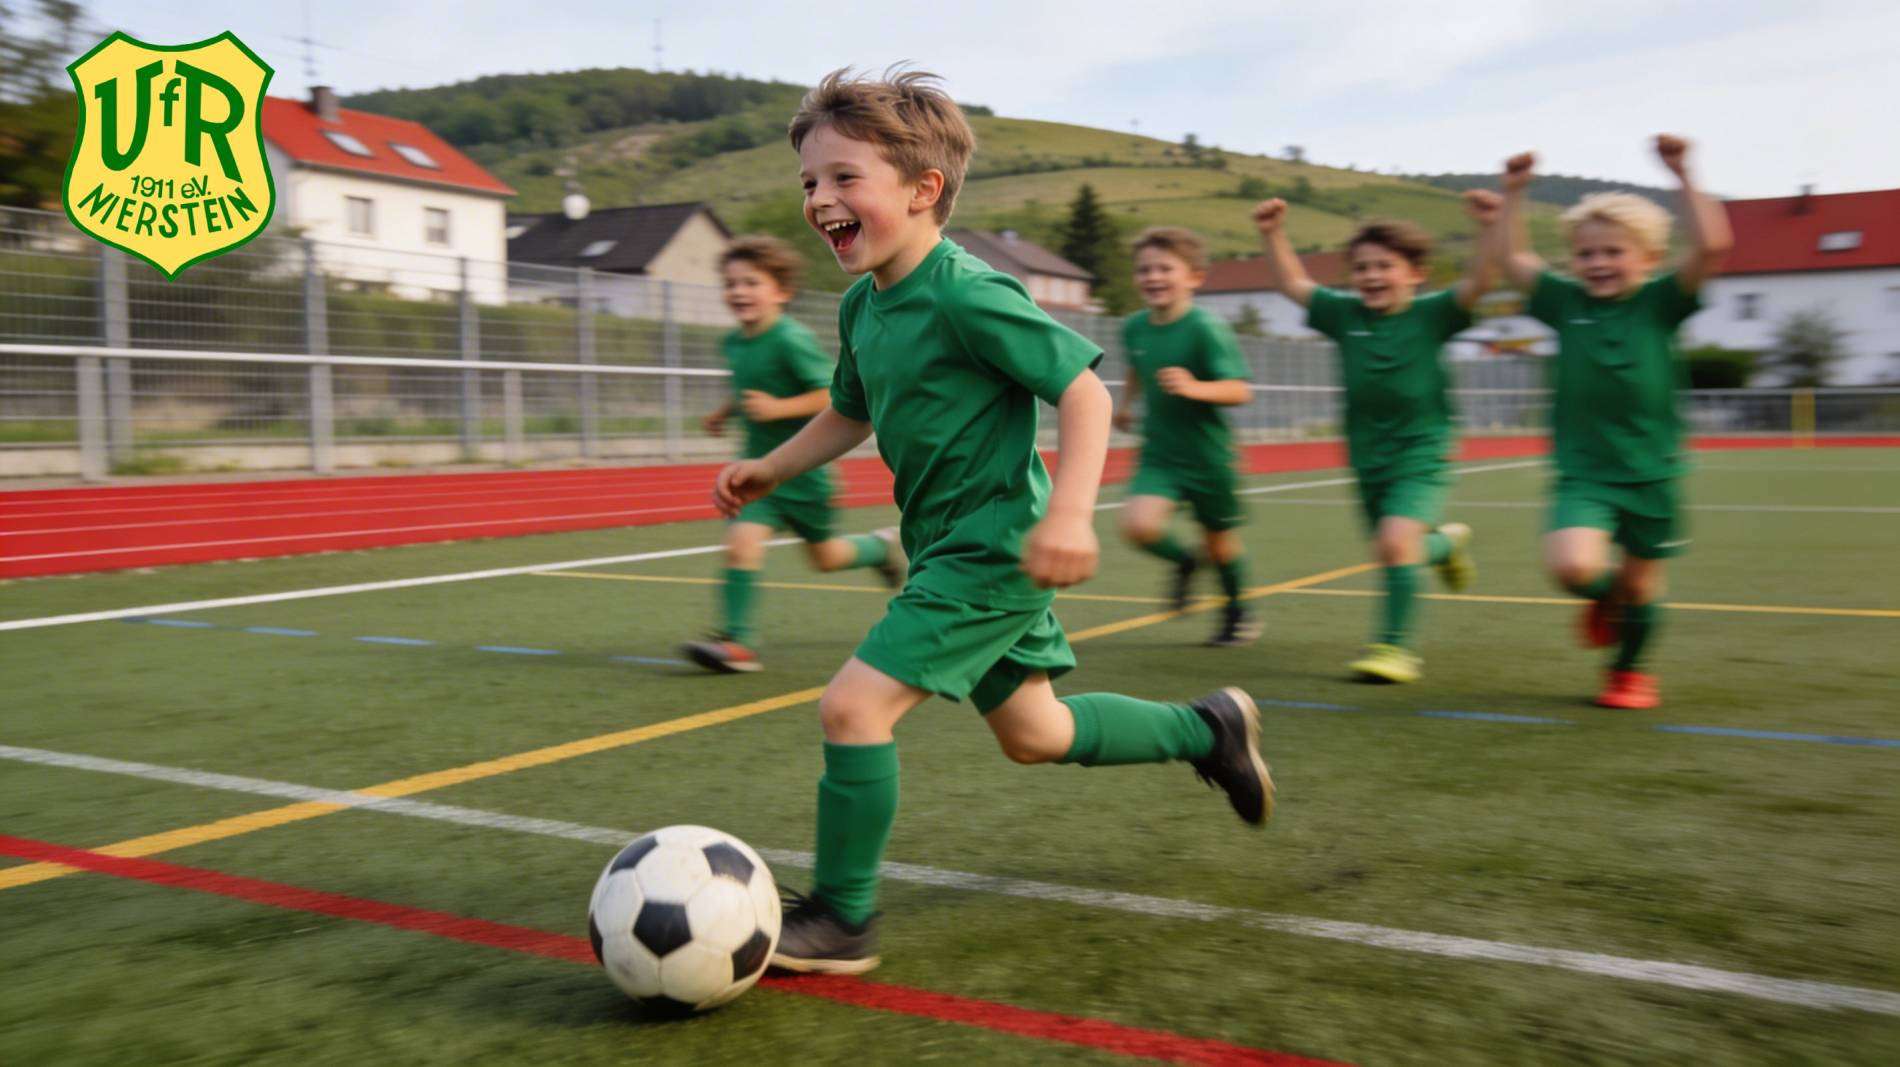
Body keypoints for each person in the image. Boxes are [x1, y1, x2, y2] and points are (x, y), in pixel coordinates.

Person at [713, 68, 1274, 975]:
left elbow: (1084, 393)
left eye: (845, 177)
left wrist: (1073, 516)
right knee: (1035, 734)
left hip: (993, 547)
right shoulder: (861, 304)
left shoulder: (967, 291)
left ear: (923, 189)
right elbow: (851, 411)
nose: (820, 199)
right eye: (810, 181)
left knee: (852, 707)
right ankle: (1206, 728)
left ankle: (844, 918)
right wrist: (771, 466)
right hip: (943, 544)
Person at [1497, 136, 1732, 709]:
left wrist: (1683, 174)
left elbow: (1713, 247)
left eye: (1612, 252)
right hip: (1585, 472)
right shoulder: (1564, 302)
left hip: (1653, 472)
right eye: (1586, 254)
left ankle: (1628, 673)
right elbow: (1513, 260)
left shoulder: (1661, 302)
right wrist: (1514, 193)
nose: (1597, 263)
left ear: (1649, 258)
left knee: (1642, 583)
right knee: (1574, 567)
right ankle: (1607, 599)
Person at [1248, 193, 1502, 682]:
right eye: (1362, 268)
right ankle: (1445, 546)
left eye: (1385, 266)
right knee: (1393, 549)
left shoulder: (1434, 313)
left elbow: (1481, 282)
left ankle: (1395, 649)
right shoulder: (1345, 314)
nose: (1371, 276)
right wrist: (1271, 232)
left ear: (1416, 272)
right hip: (1367, 455)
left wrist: (1490, 227)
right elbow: (1293, 284)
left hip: (1422, 450)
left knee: (1395, 541)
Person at [683, 235, 902, 674]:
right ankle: (737, 643)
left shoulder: (790, 339)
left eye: (751, 283)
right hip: (757, 475)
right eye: (731, 284)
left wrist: (779, 409)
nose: (739, 292)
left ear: (782, 291)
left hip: (803, 475)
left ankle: (878, 549)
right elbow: (748, 388)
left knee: (826, 558)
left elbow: (831, 397)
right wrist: (724, 413)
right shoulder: (733, 342)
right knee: (741, 545)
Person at [1115, 226, 1260, 646]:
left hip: (1209, 457)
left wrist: (1196, 387)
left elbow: (1240, 390)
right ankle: (1185, 562)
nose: (1153, 277)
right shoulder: (1134, 327)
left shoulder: (1206, 329)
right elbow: (1137, 366)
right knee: (1139, 527)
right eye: (1144, 270)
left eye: (1165, 268)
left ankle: (1238, 614)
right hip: (1160, 453)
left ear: (1195, 277)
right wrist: (1127, 405)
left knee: (1219, 544)